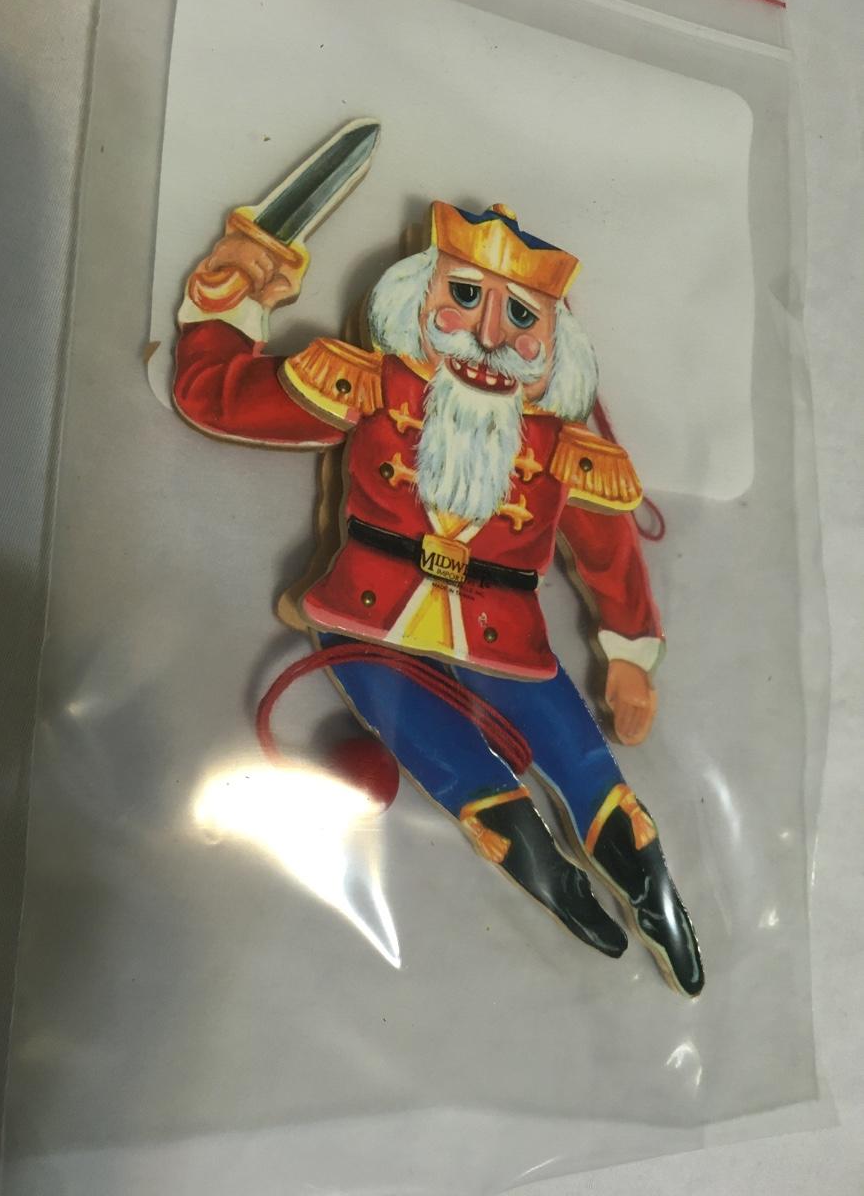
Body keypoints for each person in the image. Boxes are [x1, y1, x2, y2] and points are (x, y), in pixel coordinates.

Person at [173, 200, 704, 996]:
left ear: (556, 343)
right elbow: (218, 396)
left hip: (508, 645)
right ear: (416, 298)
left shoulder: (565, 452)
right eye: (464, 297)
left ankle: (655, 900)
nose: (489, 334)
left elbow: (610, 557)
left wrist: (629, 654)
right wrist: (228, 295)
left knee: (592, 777)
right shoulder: (366, 387)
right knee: (475, 788)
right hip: (363, 624)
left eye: (521, 316)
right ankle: (552, 883)